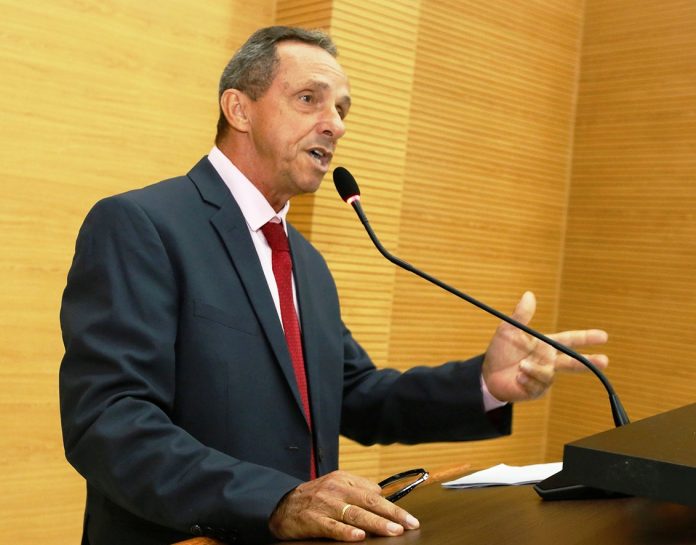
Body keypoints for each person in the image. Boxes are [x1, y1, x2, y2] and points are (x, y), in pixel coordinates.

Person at [59, 26, 608, 545]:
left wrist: (484, 385)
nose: (336, 125)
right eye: (309, 99)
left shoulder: (306, 261)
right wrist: (275, 500)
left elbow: (353, 394)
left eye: (341, 110)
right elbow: (110, 423)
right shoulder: (143, 225)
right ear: (239, 109)